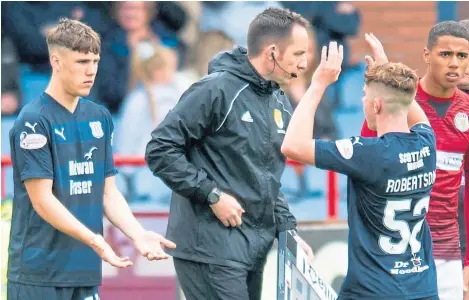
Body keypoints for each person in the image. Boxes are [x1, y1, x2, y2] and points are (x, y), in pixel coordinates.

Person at [145, 7, 314, 300]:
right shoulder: (216, 90)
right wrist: (212, 195)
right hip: (209, 247)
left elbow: (266, 178)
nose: (304, 63)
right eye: (298, 54)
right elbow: (160, 149)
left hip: (251, 248)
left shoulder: (278, 101)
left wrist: (289, 232)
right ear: (272, 52)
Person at [7, 18, 176, 300]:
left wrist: (137, 234)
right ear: (56, 62)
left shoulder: (99, 117)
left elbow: (108, 193)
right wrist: (94, 239)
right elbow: (42, 201)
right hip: (38, 274)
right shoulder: (34, 121)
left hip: (84, 270)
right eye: (82, 62)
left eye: (95, 61)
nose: (92, 71)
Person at [282, 39, 438, 299]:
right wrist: (386, 68)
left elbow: (292, 145)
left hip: (373, 291)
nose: (363, 101)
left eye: (365, 96)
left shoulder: (368, 153)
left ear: (376, 105)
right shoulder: (427, 143)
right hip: (423, 289)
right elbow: (407, 101)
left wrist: (318, 83)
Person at [360, 22, 469, 300]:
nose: (454, 63)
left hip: (447, 253)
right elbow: (367, 155)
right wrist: (379, 97)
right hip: (396, 249)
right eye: (445, 54)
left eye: (462, 56)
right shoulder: (401, 99)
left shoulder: (466, 111)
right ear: (426, 55)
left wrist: (468, 262)